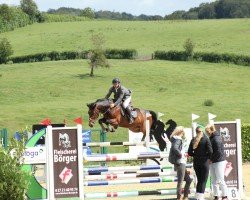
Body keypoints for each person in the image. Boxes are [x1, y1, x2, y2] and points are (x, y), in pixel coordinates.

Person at [188, 126, 213, 200]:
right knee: (203, 180)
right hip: (204, 162)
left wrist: (195, 155)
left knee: (199, 180)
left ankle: (198, 196)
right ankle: (200, 197)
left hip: (196, 162)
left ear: (196, 132)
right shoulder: (206, 139)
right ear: (202, 132)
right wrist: (207, 157)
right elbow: (210, 151)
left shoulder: (193, 139)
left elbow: (189, 152)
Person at [168, 126, 192, 200]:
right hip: (180, 162)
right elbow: (175, 148)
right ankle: (179, 197)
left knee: (188, 180)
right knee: (180, 181)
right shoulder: (178, 139)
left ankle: (185, 196)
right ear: (181, 132)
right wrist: (181, 154)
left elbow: (176, 148)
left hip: (180, 162)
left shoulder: (174, 139)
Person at [206, 124, 229, 200]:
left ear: (211, 130)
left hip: (219, 161)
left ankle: (225, 196)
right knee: (214, 180)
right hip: (213, 161)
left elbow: (218, 152)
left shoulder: (216, 139)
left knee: (221, 179)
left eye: (207, 131)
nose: (206, 133)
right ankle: (216, 196)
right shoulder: (211, 138)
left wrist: (211, 159)